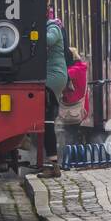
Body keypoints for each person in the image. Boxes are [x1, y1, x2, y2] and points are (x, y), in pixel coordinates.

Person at [44, 16, 69, 158]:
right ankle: (51, 160)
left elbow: (48, 40)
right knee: (46, 119)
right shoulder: (50, 27)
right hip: (52, 76)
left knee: (46, 119)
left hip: (53, 77)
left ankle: (52, 162)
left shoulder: (53, 27)